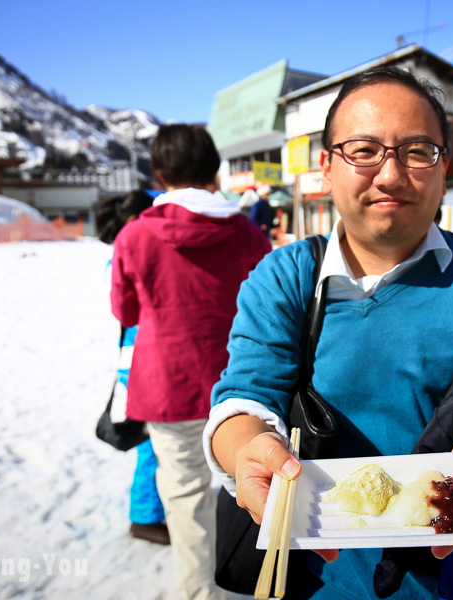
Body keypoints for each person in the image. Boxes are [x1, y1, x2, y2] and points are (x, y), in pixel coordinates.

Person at [202, 66, 453, 599]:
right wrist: (248, 449)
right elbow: (245, 396)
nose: (390, 175)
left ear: (444, 168)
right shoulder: (286, 276)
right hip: (318, 570)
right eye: (363, 150)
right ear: (327, 167)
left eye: (417, 151)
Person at [111, 124, 271, 600]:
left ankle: (201, 593)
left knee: (186, 501)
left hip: (168, 387)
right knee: (248, 490)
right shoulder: (247, 233)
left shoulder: (136, 235)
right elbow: (271, 309)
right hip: (243, 386)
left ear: (158, 173)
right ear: (215, 170)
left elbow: (125, 311)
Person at [96, 189, 170, 546]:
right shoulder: (130, 253)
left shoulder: (130, 249)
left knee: (153, 444)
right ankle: (144, 516)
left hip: (142, 356)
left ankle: (150, 510)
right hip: (140, 359)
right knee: (148, 444)